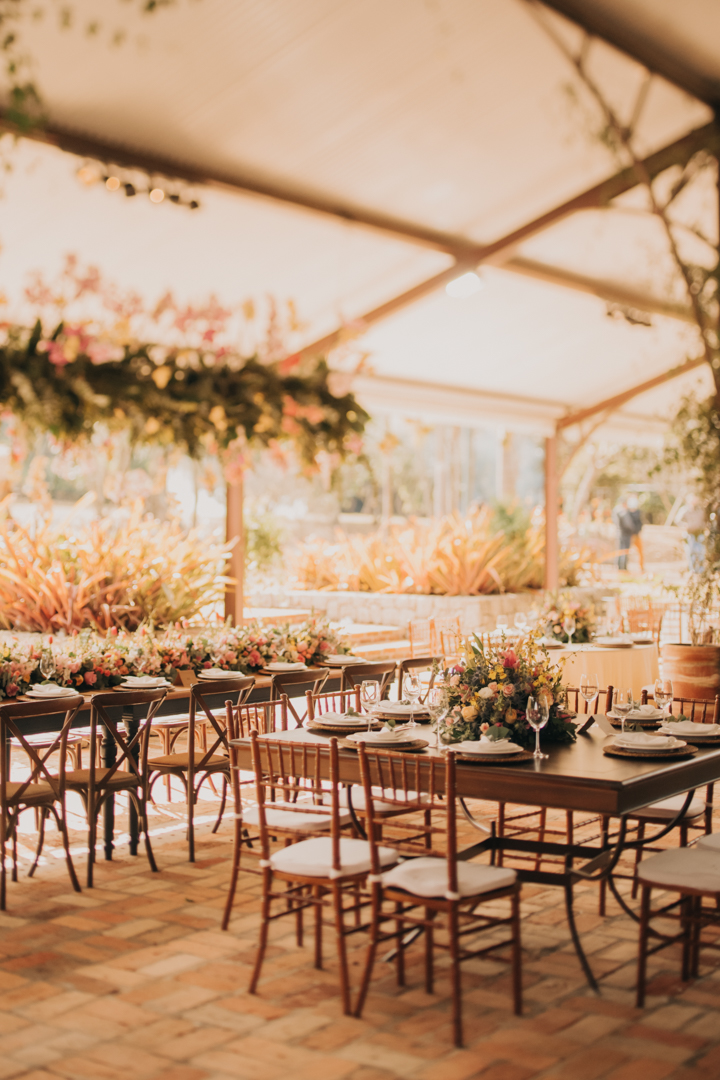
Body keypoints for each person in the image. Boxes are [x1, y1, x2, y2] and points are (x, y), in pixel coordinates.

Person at [676, 493, 705, 574]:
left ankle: (701, 571)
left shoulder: (700, 510)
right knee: (691, 552)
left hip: (700, 534)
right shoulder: (684, 510)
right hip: (690, 534)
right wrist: (685, 525)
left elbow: (704, 520)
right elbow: (677, 520)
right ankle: (692, 570)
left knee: (701, 553)